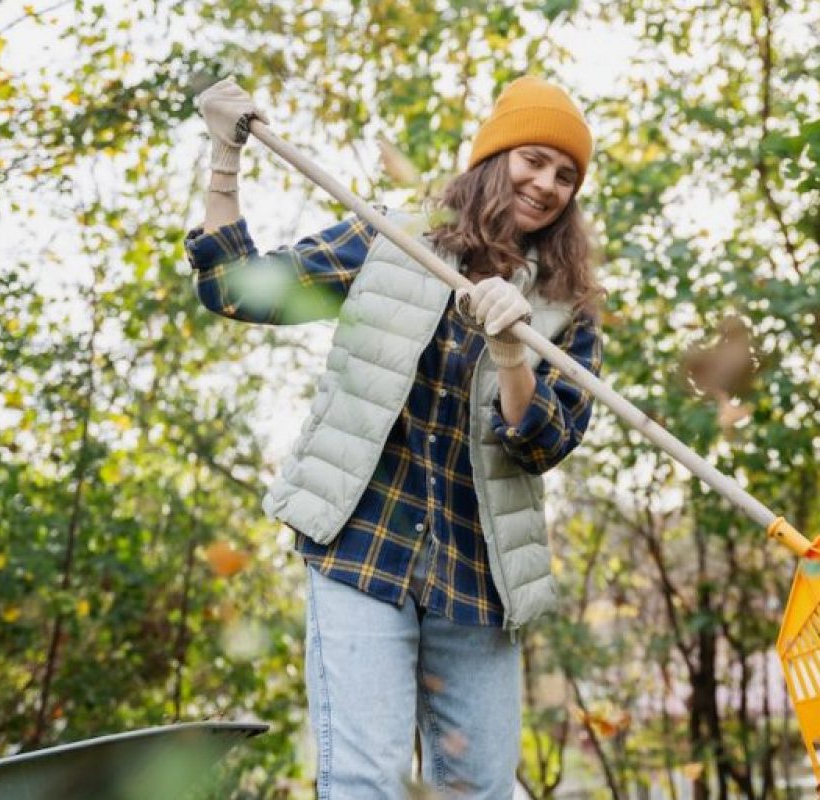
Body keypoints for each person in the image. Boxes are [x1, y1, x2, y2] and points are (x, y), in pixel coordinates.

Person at [185, 76, 603, 798]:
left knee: (480, 788)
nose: (548, 184)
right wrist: (226, 156)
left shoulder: (566, 307)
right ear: (493, 157)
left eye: (566, 175)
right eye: (534, 159)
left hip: (478, 574)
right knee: (366, 782)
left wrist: (512, 352)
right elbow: (235, 286)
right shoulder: (392, 241)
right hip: (362, 549)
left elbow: (543, 442)